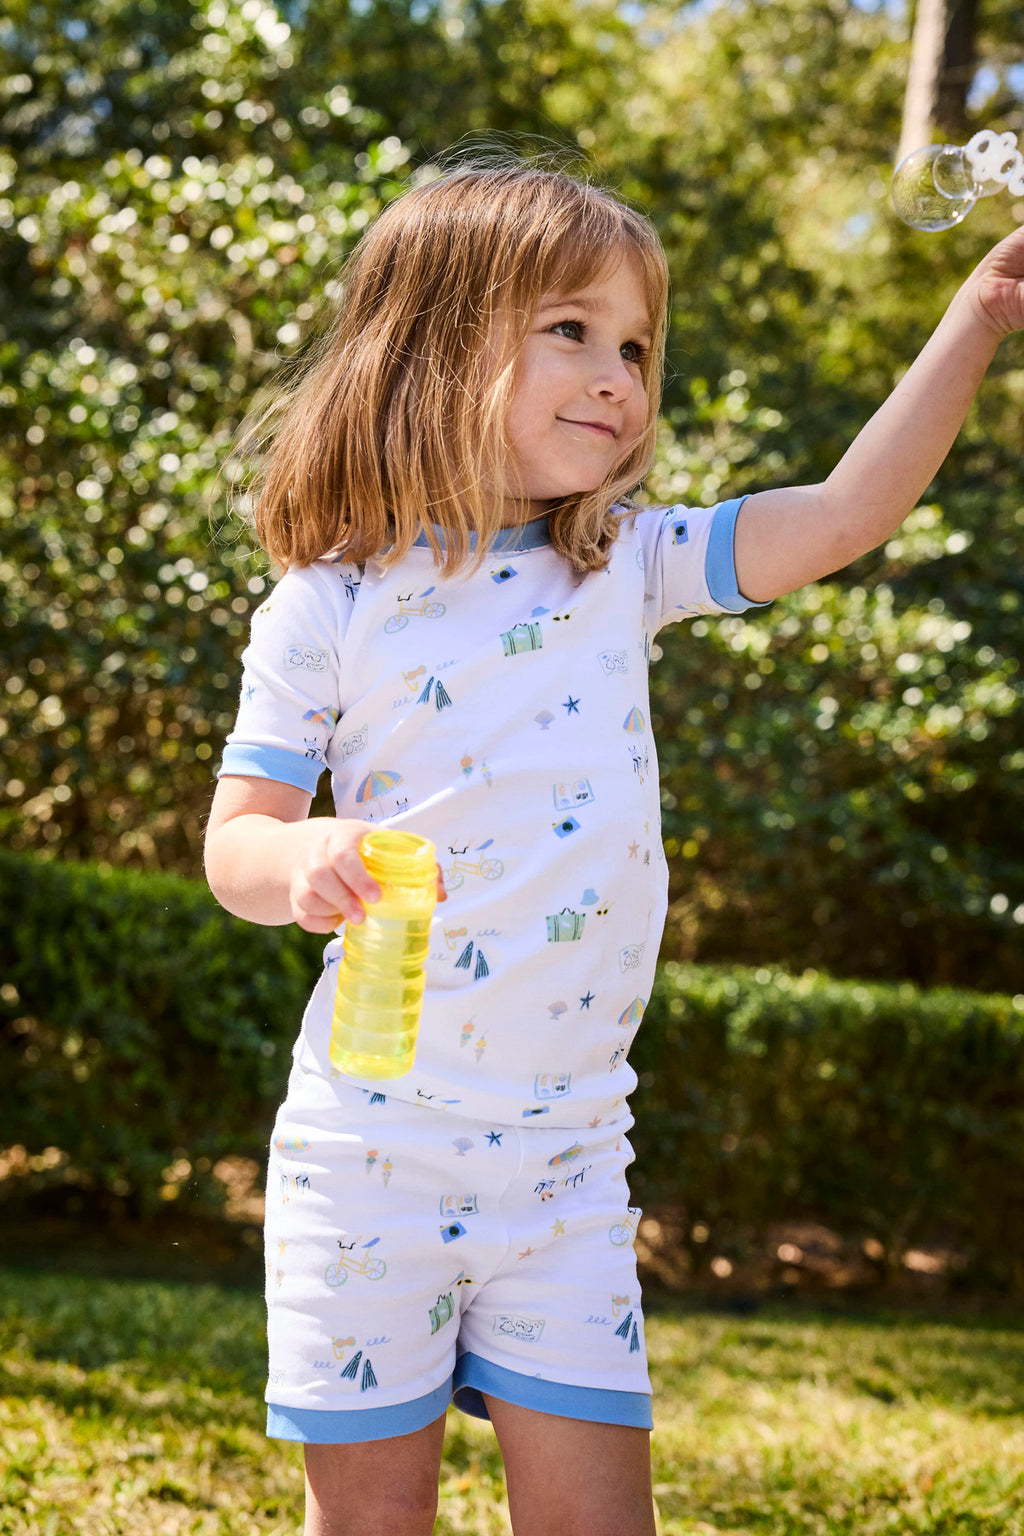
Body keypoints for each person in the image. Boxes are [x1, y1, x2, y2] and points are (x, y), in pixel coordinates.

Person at [204, 162, 1024, 1536]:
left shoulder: (623, 566)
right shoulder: (329, 605)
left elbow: (840, 515)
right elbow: (237, 846)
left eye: (636, 344)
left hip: (572, 1163)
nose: (618, 375)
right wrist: (305, 863)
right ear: (438, 341)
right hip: (369, 1156)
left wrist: (978, 322)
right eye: (571, 330)